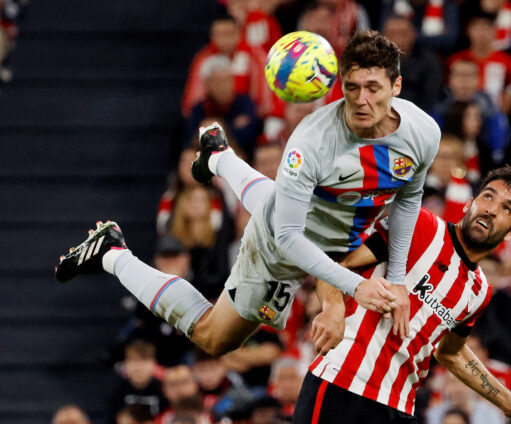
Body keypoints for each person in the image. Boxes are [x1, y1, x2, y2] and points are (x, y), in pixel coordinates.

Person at [55, 30, 438, 359]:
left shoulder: (423, 133)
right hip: (281, 249)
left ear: (396, 86)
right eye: (351, 87)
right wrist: (354, 288)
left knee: (277, 201)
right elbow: (287, 237)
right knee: (213, 337)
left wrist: (398, 280)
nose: (361, 100)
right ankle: (113, 254)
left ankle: (219, 156)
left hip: (334, 233)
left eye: (373, 88)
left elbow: (407, 198)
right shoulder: (311, 142)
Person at [293, 167, 511, 424]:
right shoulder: (420, 225)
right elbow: (336, 263)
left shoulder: (479, 292)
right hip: (342, 387)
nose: (491, 209)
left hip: (399, 411)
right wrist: (333, 308)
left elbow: (451, 352)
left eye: (506, 208)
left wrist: (509, 403)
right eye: (488, 197)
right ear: (469, 203)